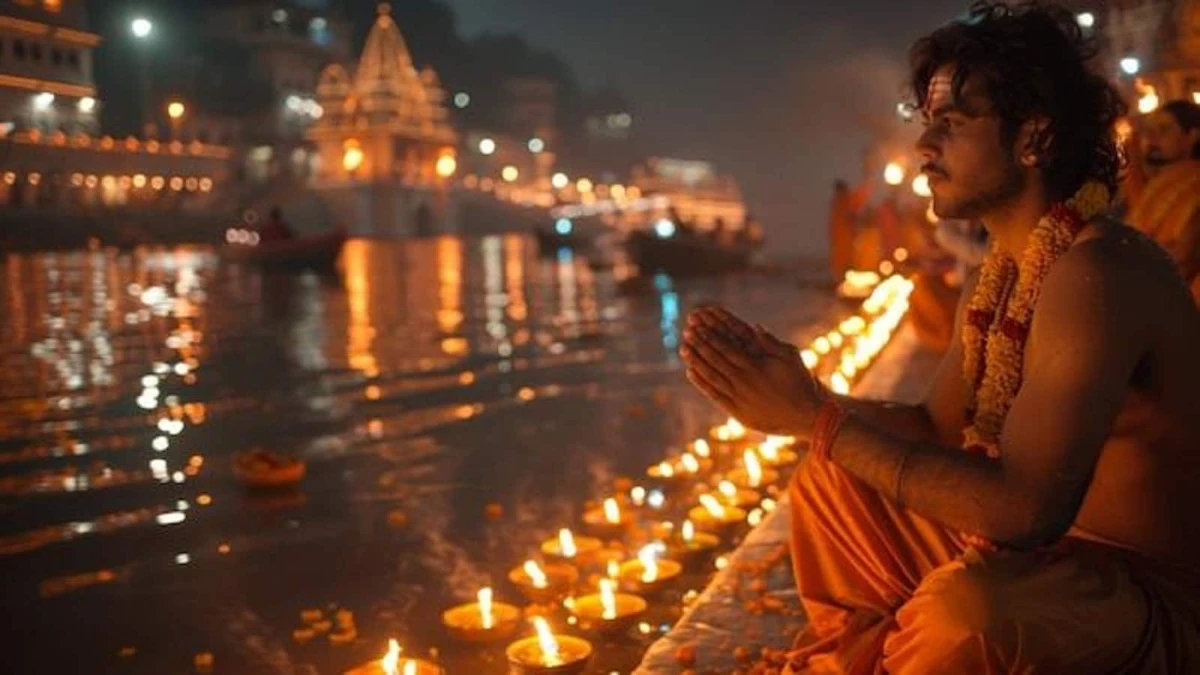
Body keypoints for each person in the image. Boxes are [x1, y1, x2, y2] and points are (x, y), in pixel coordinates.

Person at [679, 3, 1200, 672]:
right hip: (1055, 559)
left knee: (970, 614)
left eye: (950, 126)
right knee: (829, 479)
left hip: (1150, 594)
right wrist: (802, 400)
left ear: (1034, 138)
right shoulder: (1002, 271)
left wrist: (819, 417)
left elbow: (1026, 510)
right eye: (928, 126)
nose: (925, 149)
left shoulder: (1097, 271)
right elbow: (934, 423)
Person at [1128, 100, 1200, 303]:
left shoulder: (1194, 184)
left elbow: (1183, 259)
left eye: (1164, 129)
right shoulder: (1153, 185)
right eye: (1148, 130)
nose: (1151, 137)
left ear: (1192, 136)